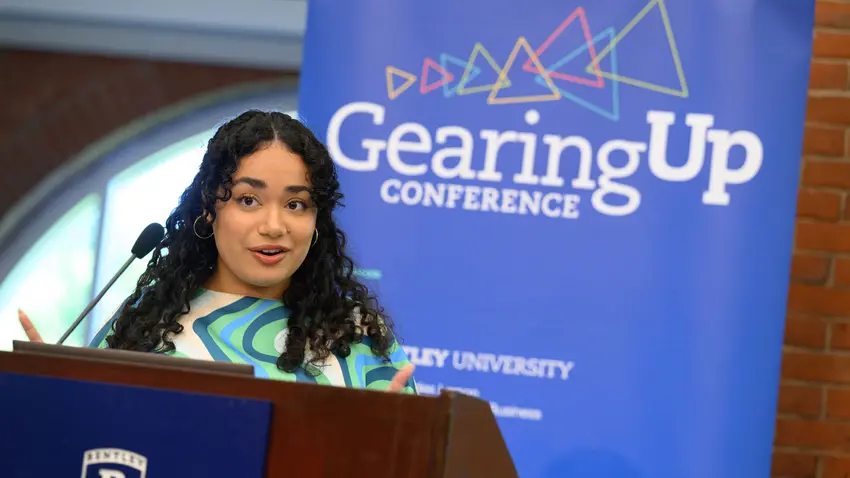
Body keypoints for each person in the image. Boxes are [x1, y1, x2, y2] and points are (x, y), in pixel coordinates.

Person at [18, 110, 416, 394]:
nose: (274, 225)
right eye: (248, 200)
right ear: (210, 209)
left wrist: (393, 443)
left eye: (296, 204)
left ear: (317, 222)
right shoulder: (144, 325)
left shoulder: (359, 337)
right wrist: (48, 397)